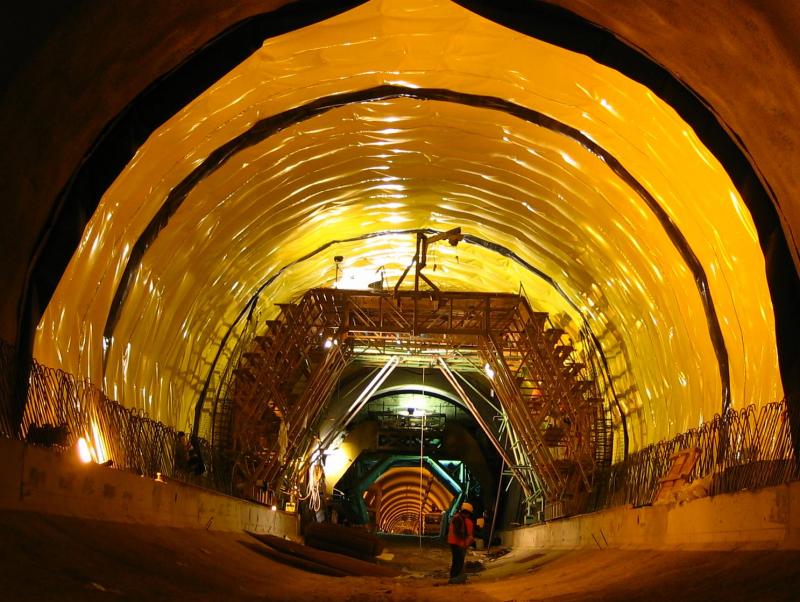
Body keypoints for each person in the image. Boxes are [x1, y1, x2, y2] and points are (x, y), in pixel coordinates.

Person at [447, 501, 474, 584]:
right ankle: (455, 577)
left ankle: (455, 576)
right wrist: (465, 540)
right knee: (458, 560)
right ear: (466, 512)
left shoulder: (459, 518)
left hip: (456, 542)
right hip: (456, 543)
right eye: (468, 513)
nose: (468, 515)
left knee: (458, 560)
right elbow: (458, 532)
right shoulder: (458, 519)